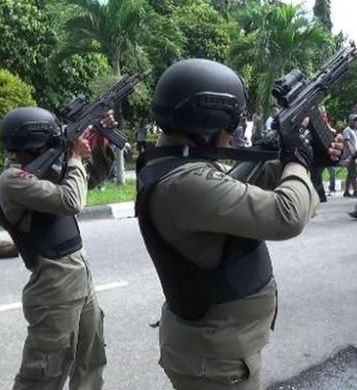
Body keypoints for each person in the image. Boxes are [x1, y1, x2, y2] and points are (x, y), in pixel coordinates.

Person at [136, 58, 342, 390]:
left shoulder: (175, 165)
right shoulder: (184, 183)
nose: (233, 134)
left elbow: (237, 188)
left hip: (218, 348)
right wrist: (297, 161)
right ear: (209, 122)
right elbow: (286, 215)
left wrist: (309, 160)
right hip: (216, 360)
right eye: (231, 124)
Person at [0, 107, 110, 390]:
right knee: (45, 370)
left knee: (91, 359)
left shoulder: (48, 168)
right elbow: (71, 201)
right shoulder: (12, 180)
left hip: (79, 273)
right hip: (53, 282)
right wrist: (73, 157)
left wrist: (98, 146)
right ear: (35, 143)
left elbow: (89, 180)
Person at [342, 117, 357, 197]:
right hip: (350, 155)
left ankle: (346, 191)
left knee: (350, 174)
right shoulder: (347, 130)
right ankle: (356, 191)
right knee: (354, 173)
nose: (355, 123)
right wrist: (353, 155)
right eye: (354, 121)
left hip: (356, 154)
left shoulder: (356, 131)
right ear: (350, 121)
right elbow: (347, 143)